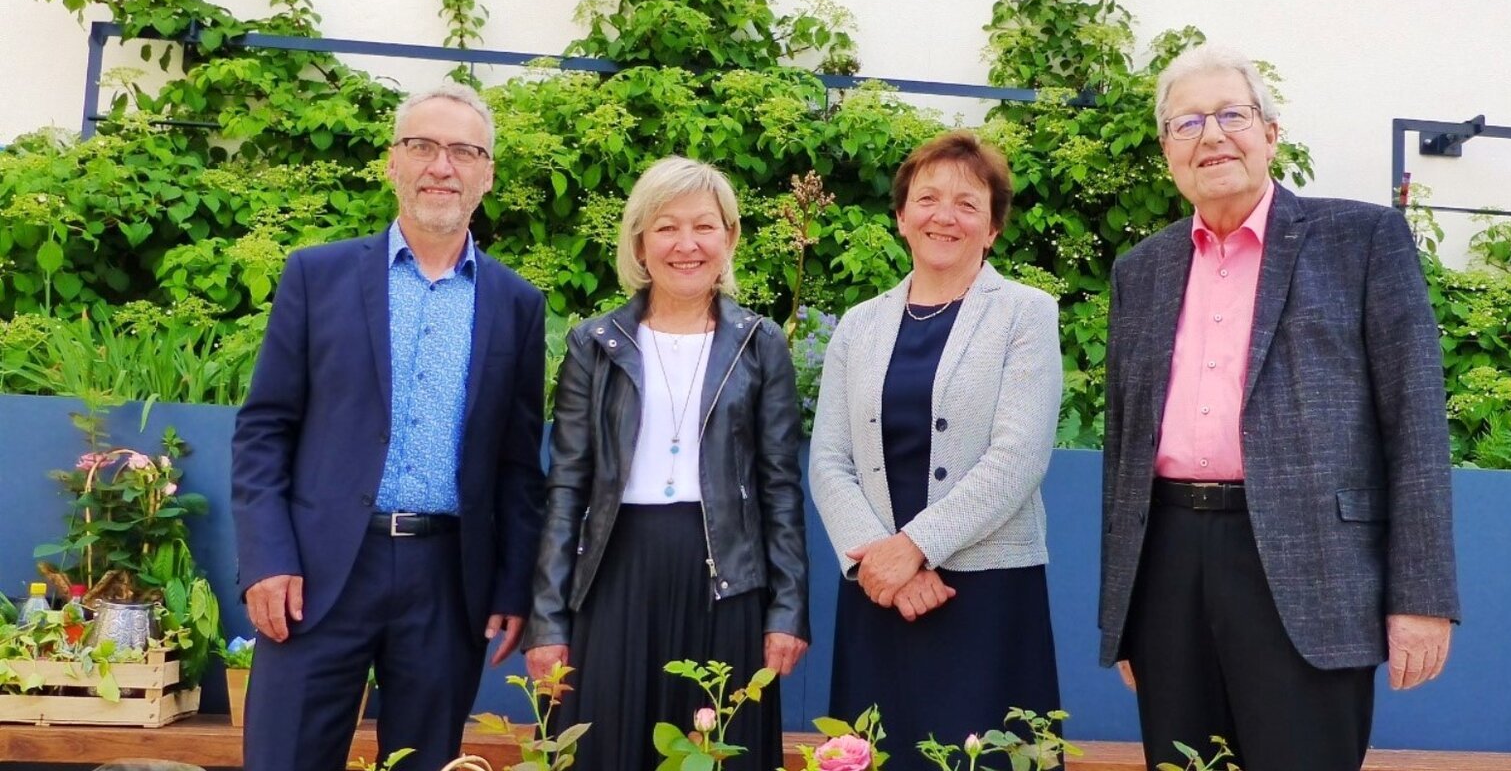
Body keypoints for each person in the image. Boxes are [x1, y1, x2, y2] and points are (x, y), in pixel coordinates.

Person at [1098, 44, 1459, 771]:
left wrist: (1422, 597)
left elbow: (1416, 426)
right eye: (1187, 123)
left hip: (1310, 567)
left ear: (1270, 132)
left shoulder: (1361, 240)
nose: (1211, 136)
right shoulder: (1141, 270)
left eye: (1231, 115)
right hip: (1168, 563)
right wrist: (1123, 614)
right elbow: (1124, 445)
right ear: (1167, 150)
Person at [232, 83, 546, 770]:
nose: (442, 166)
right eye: (422, 146)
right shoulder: (316, 276)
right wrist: (266, 558)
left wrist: (511, 584)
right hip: (315, 575)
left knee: (424, 761)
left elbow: (519, 464)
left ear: (487, 174)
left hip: (447, 580)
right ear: (392, 162)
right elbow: (265, 429)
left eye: (464, 152)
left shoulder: (517, 304)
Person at [524, 156, 809, 771]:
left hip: (727, 583)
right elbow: (566, 487)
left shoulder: (760, 343)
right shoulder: (593, 344)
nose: (687, 245)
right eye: (667, 227)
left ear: (729, 238)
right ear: (640, 242)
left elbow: (780, 488)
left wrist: (787, 610)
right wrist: (547, 620)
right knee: (608, 749)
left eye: (704, 226)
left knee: (718, 749)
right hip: (615, 577)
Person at [810, 131, 1062, 762]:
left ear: (993, 229)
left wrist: (915, 549)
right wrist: (884, 568)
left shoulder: (1026, 314)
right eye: (927, 199)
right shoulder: (858, 326)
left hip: (988, 598)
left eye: (967, 203)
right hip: (877, 594)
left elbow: (1018, 457)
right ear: (901, 217)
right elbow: (829, 461)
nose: (944, 216)